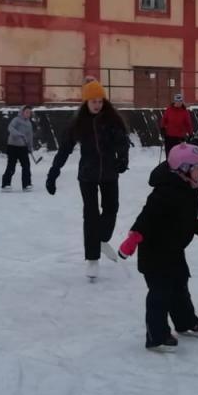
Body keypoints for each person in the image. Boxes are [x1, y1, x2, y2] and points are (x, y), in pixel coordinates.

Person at [118, 142, 198, 352]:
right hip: (154, 252)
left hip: (173, 250)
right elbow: (147, 217)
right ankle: (156, 336)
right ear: (184, 168)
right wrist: (133, 239)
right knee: (160, 293)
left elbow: (188, 219)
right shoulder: (165, 192)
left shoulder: (188, 187)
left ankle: (184, 321)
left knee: (180, 286)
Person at [46, 80, 131, 279]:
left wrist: (123, 159)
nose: (97, 105)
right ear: (86, 102)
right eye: (93, 101)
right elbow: (65, 149)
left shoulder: (111, 120)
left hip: (109, 172)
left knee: (112, 208)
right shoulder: (79, 123)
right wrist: (53, 172)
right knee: (91, 215)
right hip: (88, 175)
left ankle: (101, 239)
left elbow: (122, 142)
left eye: (100, 101)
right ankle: (92, 259)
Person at [2, 105, 35, 192]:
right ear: (22, 112)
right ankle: (5, 184)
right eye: (26, 112)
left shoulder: (29, 124)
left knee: (26, 166)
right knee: (11, 166)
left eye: (29, 113)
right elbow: (10, 128)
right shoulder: (16, 120)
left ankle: (26, 184)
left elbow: (30, 136)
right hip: (12, 146)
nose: (28, 114)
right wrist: (18, 134)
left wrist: (30, 147)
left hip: (23, 147)